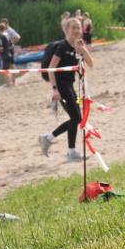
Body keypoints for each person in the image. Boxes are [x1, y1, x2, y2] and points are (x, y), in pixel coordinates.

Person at [39, 18, 94, 161]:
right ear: (67, 30)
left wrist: (83, 50)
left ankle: (49, 138)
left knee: (76, 118)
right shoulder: (62, 47)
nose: (76, 30)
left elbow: (91, 63)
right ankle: (70, 151)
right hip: (61, 86)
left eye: (78, 28)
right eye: (73, 28)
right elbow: (51, 69)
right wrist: (55, 89)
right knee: (76, 118)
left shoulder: (77, 46)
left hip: (69, 85)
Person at [0, 21, 16, 88]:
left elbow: (1, 47)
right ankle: (12, 82)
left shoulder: (2, 37)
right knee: (10, 68)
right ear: (5, 28)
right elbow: (11, 45)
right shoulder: (8, 36)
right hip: (9, 53)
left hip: (4, 55)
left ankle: (8, 84)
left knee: (5, 70)